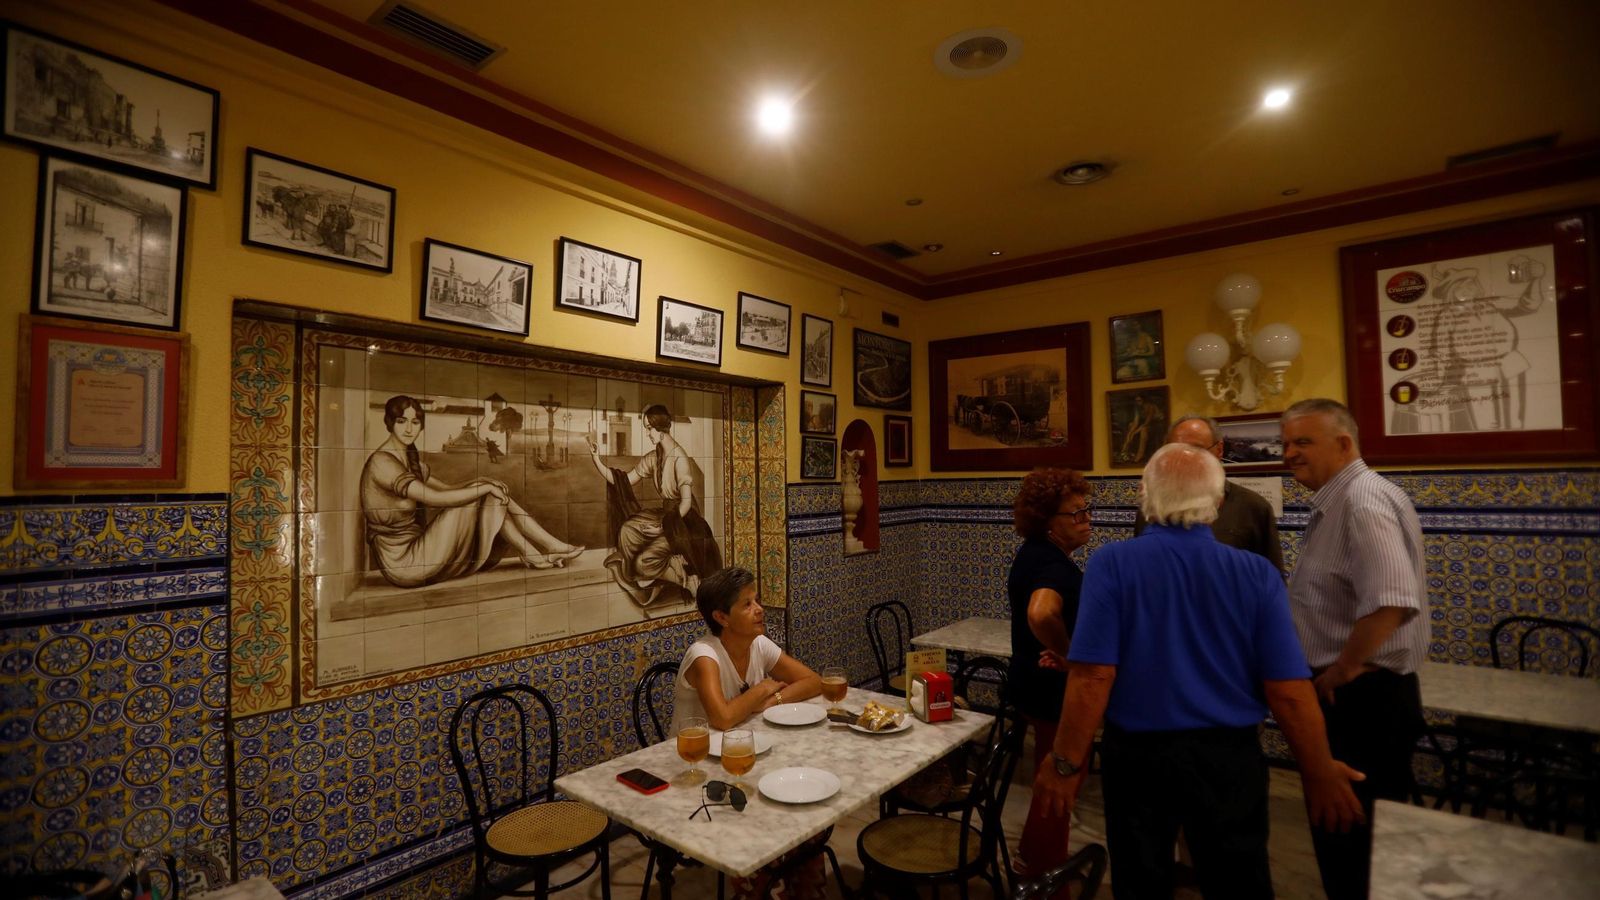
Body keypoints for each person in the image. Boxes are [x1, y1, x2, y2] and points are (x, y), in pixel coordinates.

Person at [1034, 443, 1365, 900]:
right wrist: (1318, 769)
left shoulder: (1112, 564)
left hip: (1138, 761)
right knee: (1239, 882)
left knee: (1141, 882)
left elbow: (1092, 677)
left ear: (1144, 496)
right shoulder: (1256, 574)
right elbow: (1287, 689)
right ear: (1219, 502)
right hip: (1229, 759)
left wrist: (1065, 763)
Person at [1281, 398, 1427, 900]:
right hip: (1357, 698)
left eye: (1303, 442)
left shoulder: (1361, 500)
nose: (1289, 454)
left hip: (1366, 703)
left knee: (1353, 848)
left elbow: (1391, 601)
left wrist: (1343, 669)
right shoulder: (1338, 501)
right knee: (1346, 843)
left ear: (1344, 444)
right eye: (1286, 443)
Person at [673, 567, 827, 900]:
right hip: (693, 771)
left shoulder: (758, 643)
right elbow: (724, 718)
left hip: (742, 756)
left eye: (756, 600)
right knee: (769, 817)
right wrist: (761, 692)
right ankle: (756, 888)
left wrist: (772, 700)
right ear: (721, 617)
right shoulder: (705, 655)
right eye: (747, 604)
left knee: (808, 806)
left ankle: (801, 887)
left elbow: (814, 681)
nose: (759, 609)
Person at [360, 395, 583, 587]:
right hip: (405, 563)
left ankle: (540, 551)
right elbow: (436, 498)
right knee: (488, 492)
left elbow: (448, 489)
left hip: (421, 551)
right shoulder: (382, 462)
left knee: (490, 492)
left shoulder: (409, 458)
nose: (409, 429)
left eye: (415, 422)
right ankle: (543, 550)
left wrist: (481, 482)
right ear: (390, 423)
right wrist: (484, 487)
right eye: (402, 421)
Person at [1004, 467, 1093, 881]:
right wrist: (1071, 655)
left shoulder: (1033, 553)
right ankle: (1042, 878)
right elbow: (1041, 612)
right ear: (1049, 523)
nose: (1086, 520)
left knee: (1048, 780)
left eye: (1086, 510)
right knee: (1059, 785)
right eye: (1075, 514)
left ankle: (1033, 861)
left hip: (1029, 683)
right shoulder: (1052, 565)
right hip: (1051, 690)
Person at [588, 403, 722, 606]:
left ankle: (686, 579)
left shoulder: (680, 460)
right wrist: (596, 459)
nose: (647, 434)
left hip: (683, 521)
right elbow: (624, 480)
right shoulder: (654, 457)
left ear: (660, 430)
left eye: (649, 429)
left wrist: (662, 527)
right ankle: (661, 572)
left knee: (644, 561)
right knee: (627, 530)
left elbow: (686, 504)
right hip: (667, 513)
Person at [1133, 415, 1283, 573]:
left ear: (1219, 450)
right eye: (1176, 450)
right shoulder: (1151, 508)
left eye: (1197, 450)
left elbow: (1272, 576)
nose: (1185, 459)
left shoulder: (1253, 507)